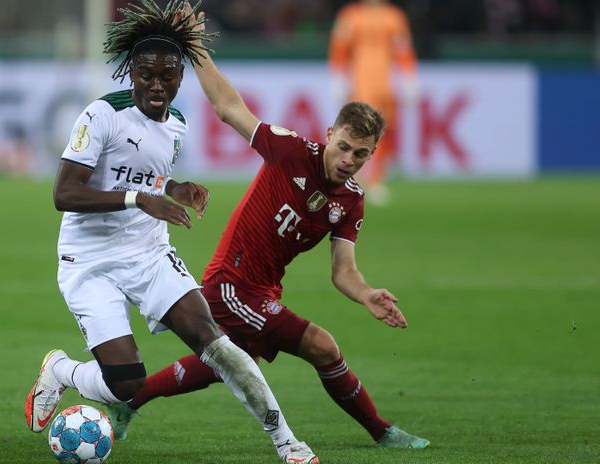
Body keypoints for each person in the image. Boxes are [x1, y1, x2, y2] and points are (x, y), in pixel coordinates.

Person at [107, 3, 430, 450]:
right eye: (344, 147)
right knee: (322, 345)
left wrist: (367, 293)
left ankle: (129, 401)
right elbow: (227, 107)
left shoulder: (351, 199)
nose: (348, 160)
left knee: (231, 361)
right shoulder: (291, 151)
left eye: (360, 155)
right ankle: (381, 431)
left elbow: (343, 271)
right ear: (330, 132)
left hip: (263, 290)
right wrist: (196, 45)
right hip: (231, 284)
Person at [24, 1, 319, 462]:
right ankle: (61, 370)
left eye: (167, 76)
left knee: (216, 342)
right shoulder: (101, 115)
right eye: (147, 75)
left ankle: (288, 443)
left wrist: (176, 188)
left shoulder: (177, 125)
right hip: (90, 260)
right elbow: (65, 193)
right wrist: (140, 199)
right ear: (132, 72)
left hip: (148, 252)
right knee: (126, 386)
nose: (157, 85)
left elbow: (148, 177)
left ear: (181, 76)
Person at [328, 0, 418, 205]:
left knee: (383, 130)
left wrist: (409, 75)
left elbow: (403, 49)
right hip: (360, 81)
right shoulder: (351, 16)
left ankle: (375, 177)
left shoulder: (394, 17)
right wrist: (338, 76)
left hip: (385, 82)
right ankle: (353, 177)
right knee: (360, 130)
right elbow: (339, 47)